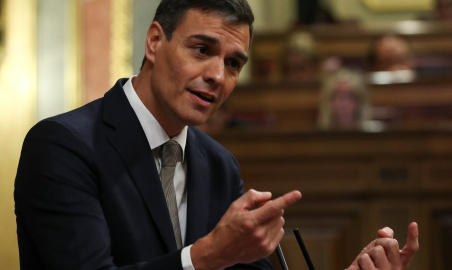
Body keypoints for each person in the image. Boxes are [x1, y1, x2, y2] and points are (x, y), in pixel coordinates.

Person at [14, 0, 418, 269]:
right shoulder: (63, 145)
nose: (217, 76)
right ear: (155, 41)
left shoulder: (219, 164)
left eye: (234, 64)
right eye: (202, 50)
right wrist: (204, 257)